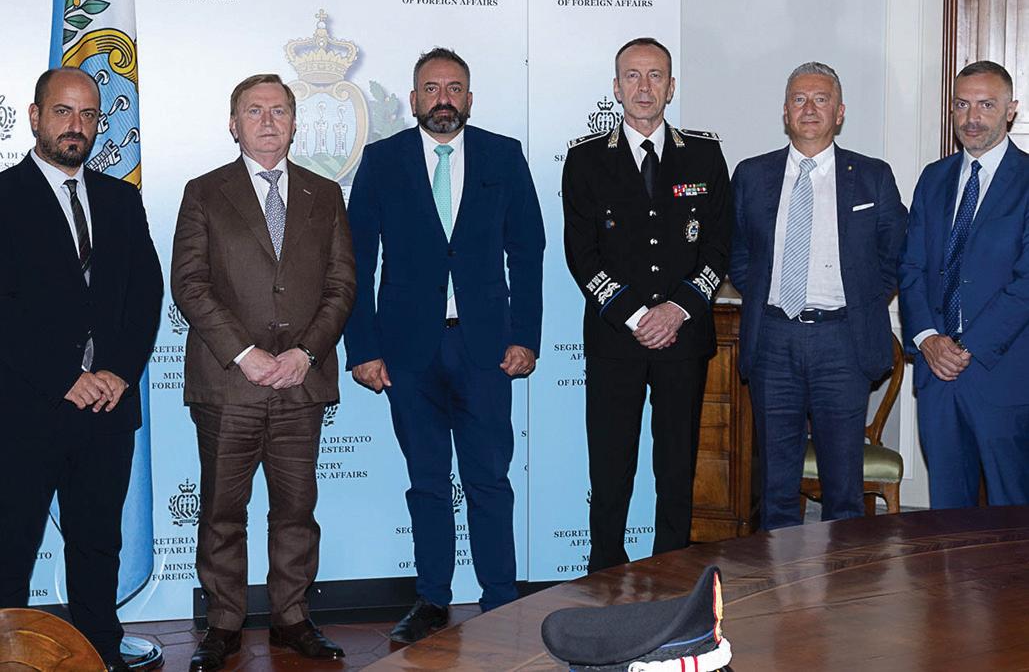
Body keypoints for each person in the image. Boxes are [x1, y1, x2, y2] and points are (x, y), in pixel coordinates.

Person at [344, 47, 545, 643]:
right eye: (431, 89)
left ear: (470, 98)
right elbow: (357, 260)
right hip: (408, 354)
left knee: (489, 480)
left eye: (454, 88)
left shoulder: (503, 156)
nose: (443, 99)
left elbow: (527, 251)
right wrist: (362, 348)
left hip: (485, 350)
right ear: (413, 99)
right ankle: (432, 599)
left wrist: (526, 337)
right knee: (427, 482)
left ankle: (501, 600)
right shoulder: (381, 160)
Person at [171, 74, 356, 671]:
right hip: (229, 384)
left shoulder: (325, 194)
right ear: (234, 124)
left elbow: (342, 285)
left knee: (296, 512)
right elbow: (190, 284)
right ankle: (224, 624)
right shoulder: (204, 192)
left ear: (295, 123)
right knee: (222, 513)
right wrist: (245, 353)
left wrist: (306, 353)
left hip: (301, 383)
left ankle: (292, 618)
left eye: (279, 110)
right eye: (254, 111)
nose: (268, 121)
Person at [0, 67, 163, 672]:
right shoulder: (4, 196)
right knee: (10, 545)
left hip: (107, 408)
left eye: (89, 115)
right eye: (63, 111)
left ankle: (99, 647)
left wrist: (119, 371)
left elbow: (146, 292)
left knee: (98, 542)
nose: (77, 125)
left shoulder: (121, 199)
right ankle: (9, 653)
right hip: (26, 409)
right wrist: (64, 375)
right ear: (35, 116)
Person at [562, 37, 731, 572]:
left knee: (676, 467)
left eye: (655, 75)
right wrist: (637, 316)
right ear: (616, 88)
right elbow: (581, 254)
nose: (643, 87)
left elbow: (719, 246)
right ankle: (606, 575)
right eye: (632, 76)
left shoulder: (704, 154)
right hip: (616, 340)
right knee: (611, 468)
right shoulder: (586, 160)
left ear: (671, 87)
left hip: (684, 338)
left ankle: (671, 574)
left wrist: (676, 310)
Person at [730, 61, 907, 530]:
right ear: (785, 112)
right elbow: (739, 254)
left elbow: (894, 254)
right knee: (775, 486)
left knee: (843, 489)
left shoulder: (872, 177)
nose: (809, 108)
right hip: (773, 340)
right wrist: (766, 297)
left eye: (821, 99)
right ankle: (780, 576)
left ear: (839, 112)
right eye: (799, 99)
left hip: (842, 342)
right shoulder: (751, 175)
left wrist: (862, 303)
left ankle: (842, 578)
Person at [899, 60, 1029, 507]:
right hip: (937, 375)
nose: (972, 117)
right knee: (946, 520)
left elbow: (1025, 283)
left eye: (986, 105)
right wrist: (927, 338)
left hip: (1003, 377)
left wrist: (964, 347)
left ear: (1010, 110)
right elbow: (911, 267)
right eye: (961, 105)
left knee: (1012, 522)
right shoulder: (933, 178)